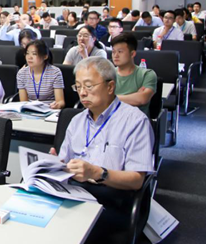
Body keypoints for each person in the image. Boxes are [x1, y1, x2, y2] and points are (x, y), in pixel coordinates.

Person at [50, 57, 154, 191]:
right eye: (78, 87)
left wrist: (97, 173)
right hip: (72, 191)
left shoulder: (135, 121)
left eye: (88, 86)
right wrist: (56, 164)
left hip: (111, 196)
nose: (82, 93)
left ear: (110, 87)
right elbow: (65, 162)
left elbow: (137, 180)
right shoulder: (77, 121)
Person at [111, 34, 157, 116]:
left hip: (136, 120)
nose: (115, 55)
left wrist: (110, 98)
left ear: (132, 54)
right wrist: (133, 97)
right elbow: (98, 98)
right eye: (113, 52)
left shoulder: (146, 74)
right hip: (111, 119)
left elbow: (142, 99)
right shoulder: (108, 74)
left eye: (120, 52)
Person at [17, 40, 65, 109]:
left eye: (34, 54)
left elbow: (60, 101)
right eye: (27, 53)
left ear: (45, 56)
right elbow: (23, 102)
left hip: (50, 109)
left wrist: (57, 105)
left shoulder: (55, 72)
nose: (29, 57)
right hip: (30, 110)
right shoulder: (21, 73)